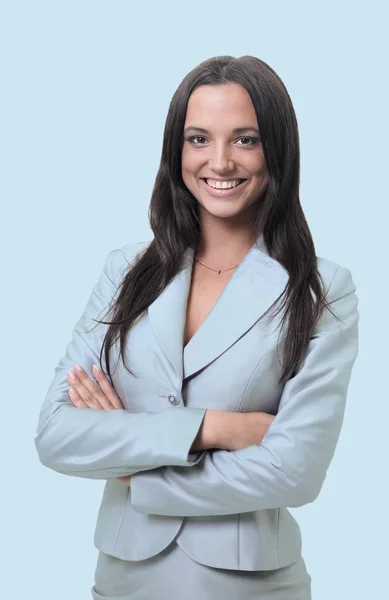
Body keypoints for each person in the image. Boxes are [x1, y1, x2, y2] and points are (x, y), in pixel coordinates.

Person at [34, 55, 359, 599]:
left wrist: (133, 468)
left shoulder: (321, 288)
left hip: (250, 587)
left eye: (246, 139)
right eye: (199, 139)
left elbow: (295, 472)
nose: (222, 161)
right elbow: (56, 434)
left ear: (278, 148)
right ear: (176, 151)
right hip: (122, 583)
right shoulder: (126, 272)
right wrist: (216, 428)